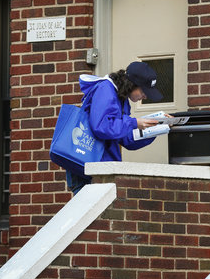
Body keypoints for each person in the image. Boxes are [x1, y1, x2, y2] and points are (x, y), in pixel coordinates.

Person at [66, 61, 163, 194]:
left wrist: (155, 128)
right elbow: (101, 126)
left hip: (101, 166)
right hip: (87, 165)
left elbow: (125, 139)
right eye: (143, 91)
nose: (145, 96)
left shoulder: (122, 99)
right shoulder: (105, 89)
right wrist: (133, 122)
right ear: (132, 84)